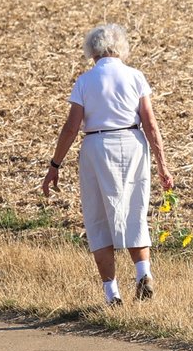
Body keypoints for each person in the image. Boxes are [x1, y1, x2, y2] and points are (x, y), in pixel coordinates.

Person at [41, 24, 175, 305]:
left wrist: (55, 164)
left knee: (98, 217)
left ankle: (111, 294)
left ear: (92, 51)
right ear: (120, 48)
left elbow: (70, 128)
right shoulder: (135, 76)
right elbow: (150, 124)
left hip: (96, 146)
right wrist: (162, 165)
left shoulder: (85, 81)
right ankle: (143, 274)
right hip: (132, 143)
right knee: (135, 209)